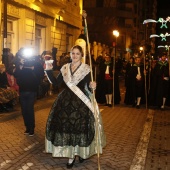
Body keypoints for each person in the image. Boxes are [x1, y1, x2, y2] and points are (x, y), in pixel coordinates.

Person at [44, 45, 106, 169]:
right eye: (73, 53)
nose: (75, 56)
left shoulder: (86, 69)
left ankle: (82, 152)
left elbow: (88, 86)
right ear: (70, 54)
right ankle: (71, 155)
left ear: (81, 55)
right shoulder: (65, 68)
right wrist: (49, 70)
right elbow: (56, 83)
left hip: (81, 103)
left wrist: (92, 85)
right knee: (68, 128)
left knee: (80, 128)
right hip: (65, 102)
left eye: (77, 54)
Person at [13, 48, 44, 136]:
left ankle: (32, 128)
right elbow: (16, 74)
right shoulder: (21, 63)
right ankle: (27, 127)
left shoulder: (37, 63)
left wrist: (33, 68)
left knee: (29, 109)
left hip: (32, 90)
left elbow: (41, 74)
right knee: (24, 110)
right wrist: (20, 66)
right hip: (22, 90)